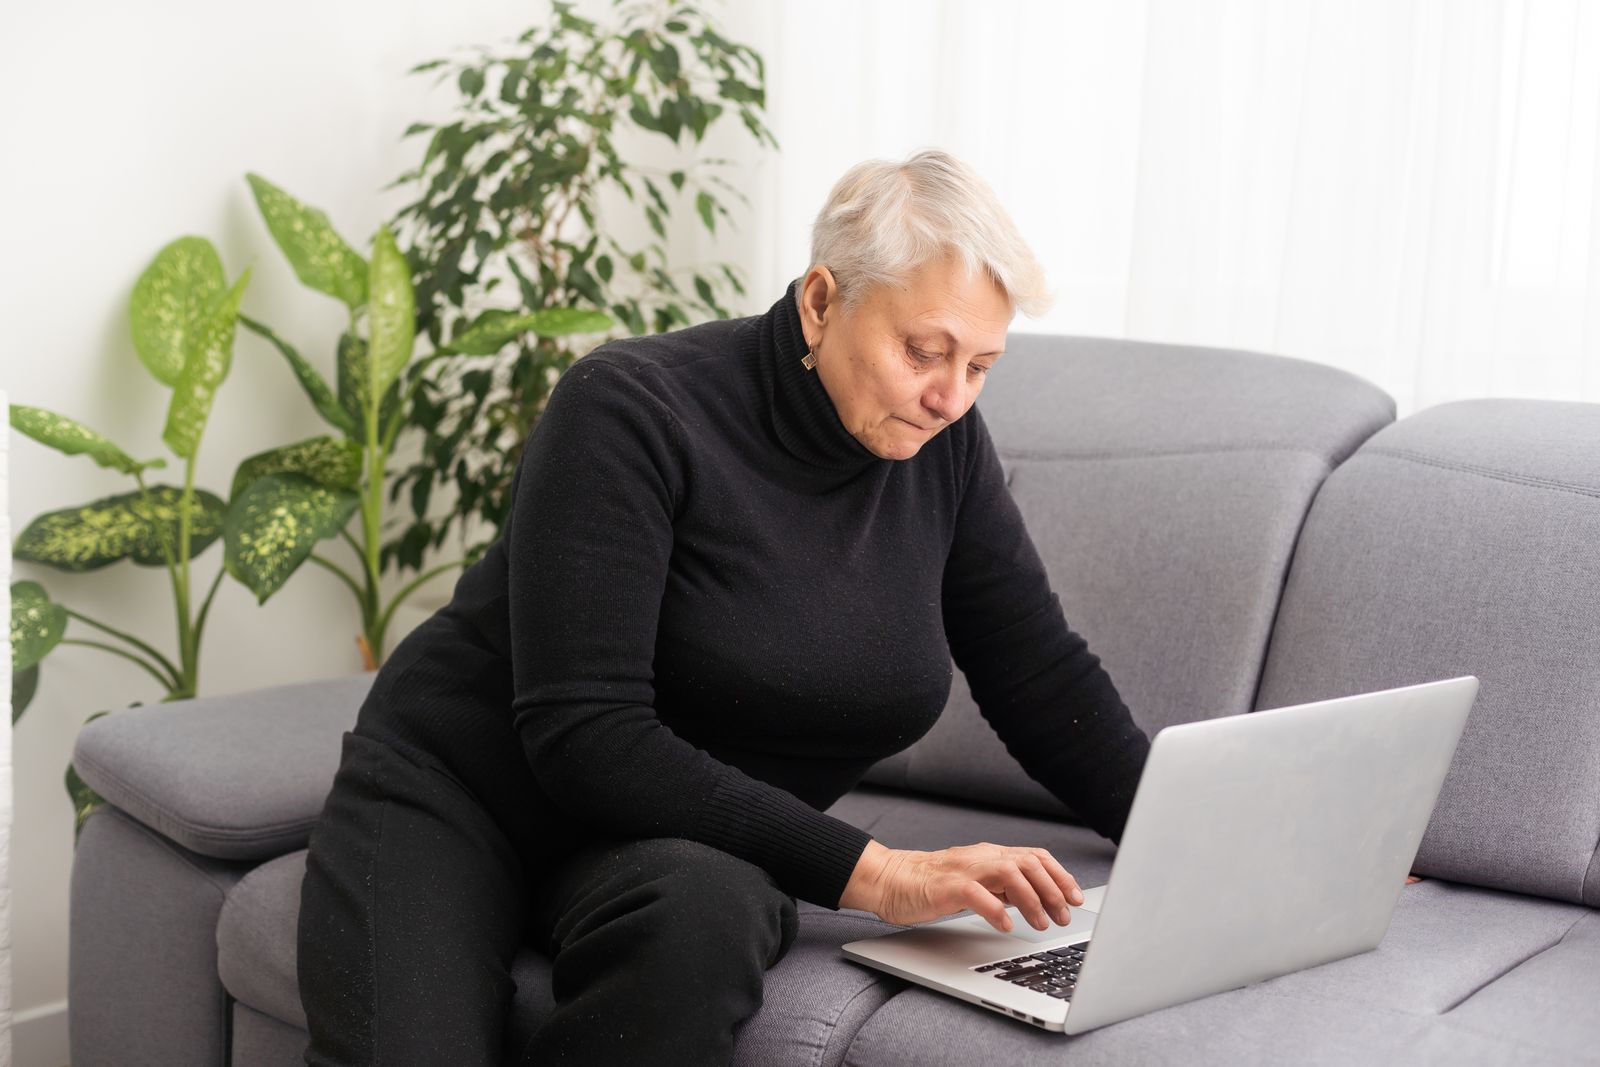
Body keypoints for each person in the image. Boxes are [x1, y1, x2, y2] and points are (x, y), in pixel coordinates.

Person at [296, 147, 1153, 1067]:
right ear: (822, 301)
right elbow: (588, 733)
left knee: (715, 913)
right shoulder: (629, 408)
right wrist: (880, 873)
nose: (950, 395)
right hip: (463, 796)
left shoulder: (942, 447)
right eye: (923, 350)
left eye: (982, 364)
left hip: (660, 842)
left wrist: (1181, 831)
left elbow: (1039, 674)